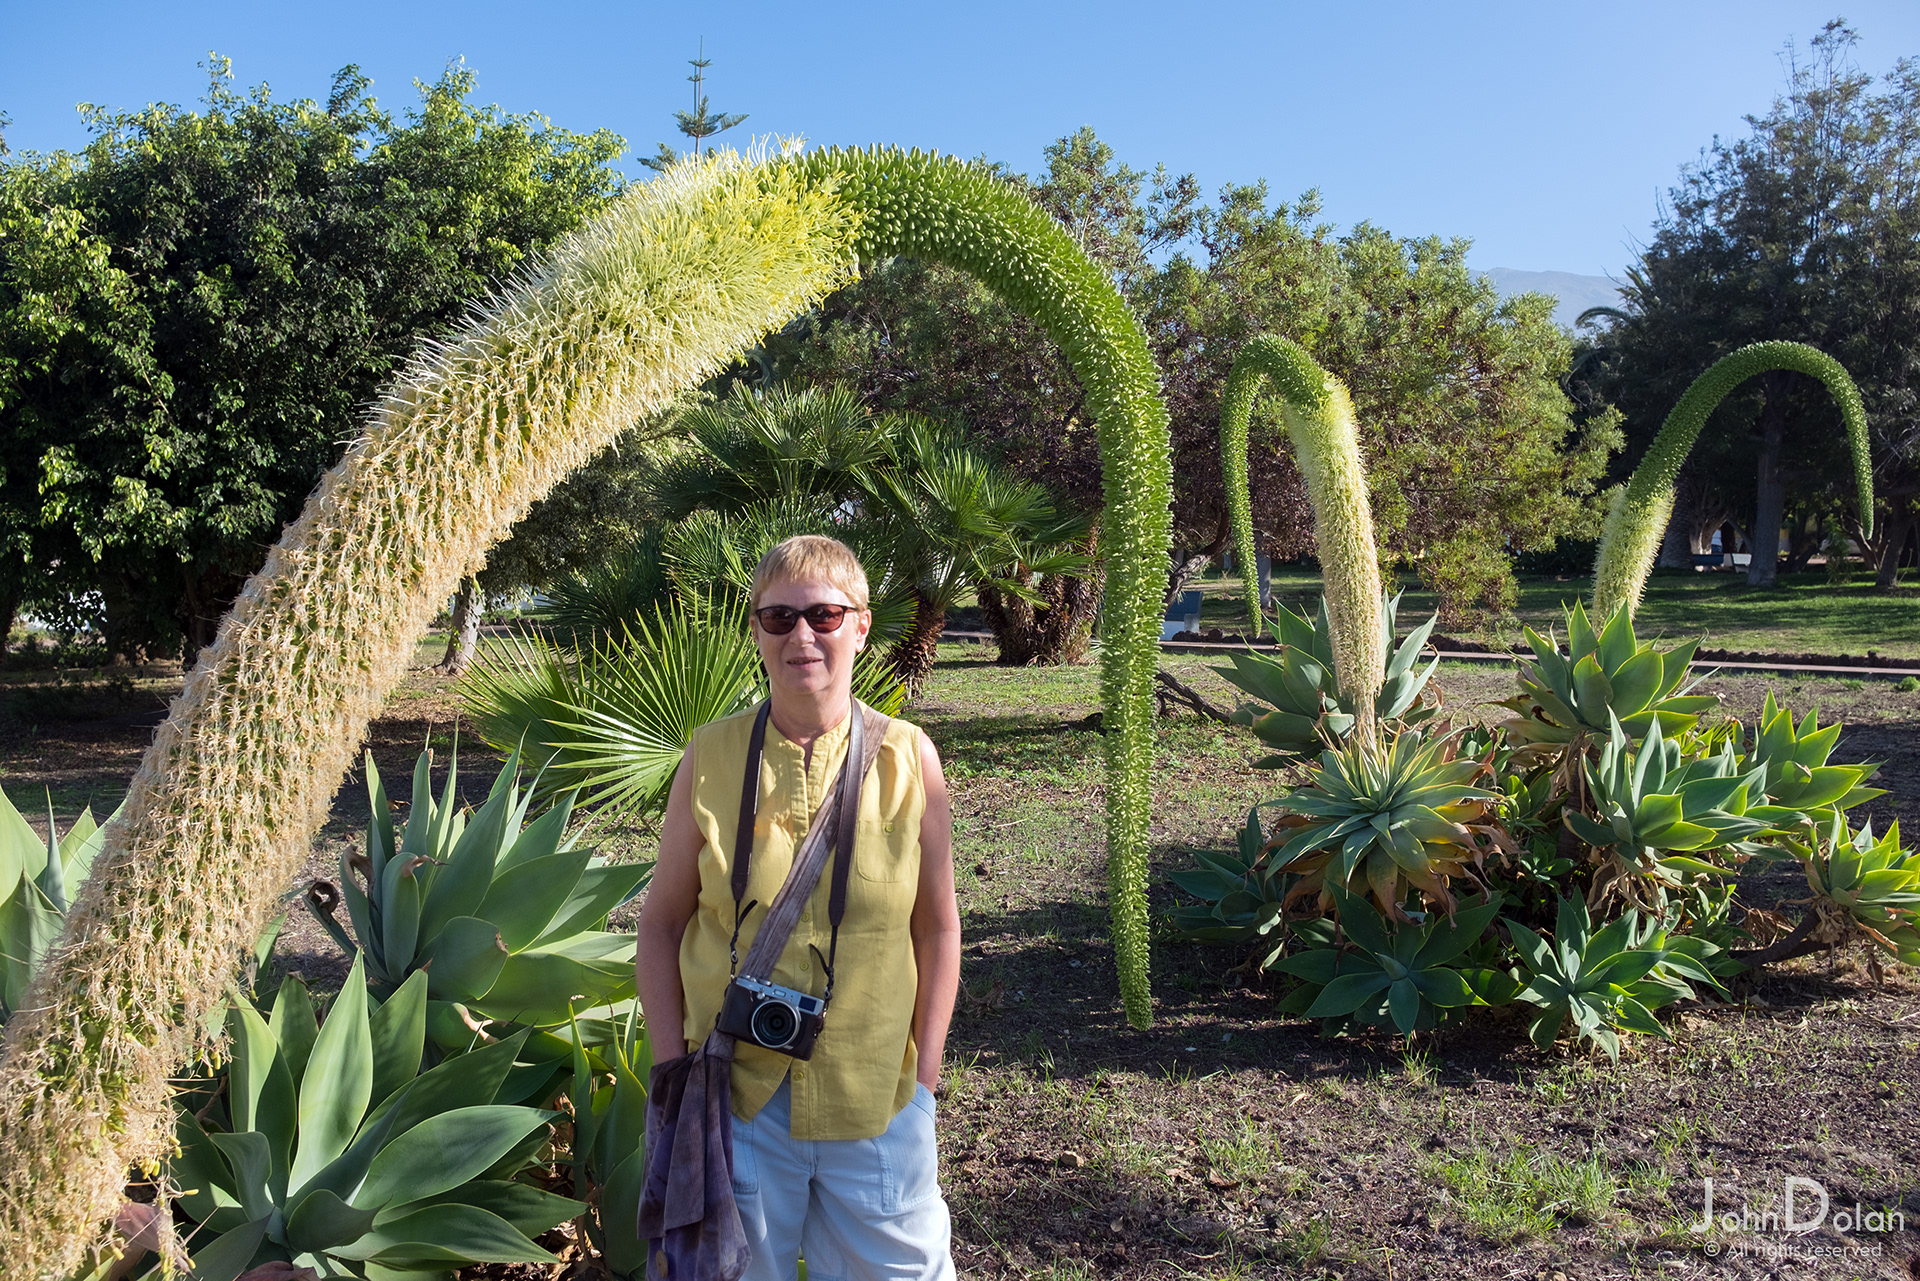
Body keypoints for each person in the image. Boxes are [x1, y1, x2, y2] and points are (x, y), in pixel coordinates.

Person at [636, 535, 962, 1281]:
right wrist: (670, 1076)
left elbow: (938, 926)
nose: (802, 636)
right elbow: (659, 926)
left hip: (876, 1098)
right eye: (779, 618)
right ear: (756, 630)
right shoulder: (709, 755)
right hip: (738, 1102)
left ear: (861, 625)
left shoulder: (910, 758)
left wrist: (923, 1089)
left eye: (823, 614)